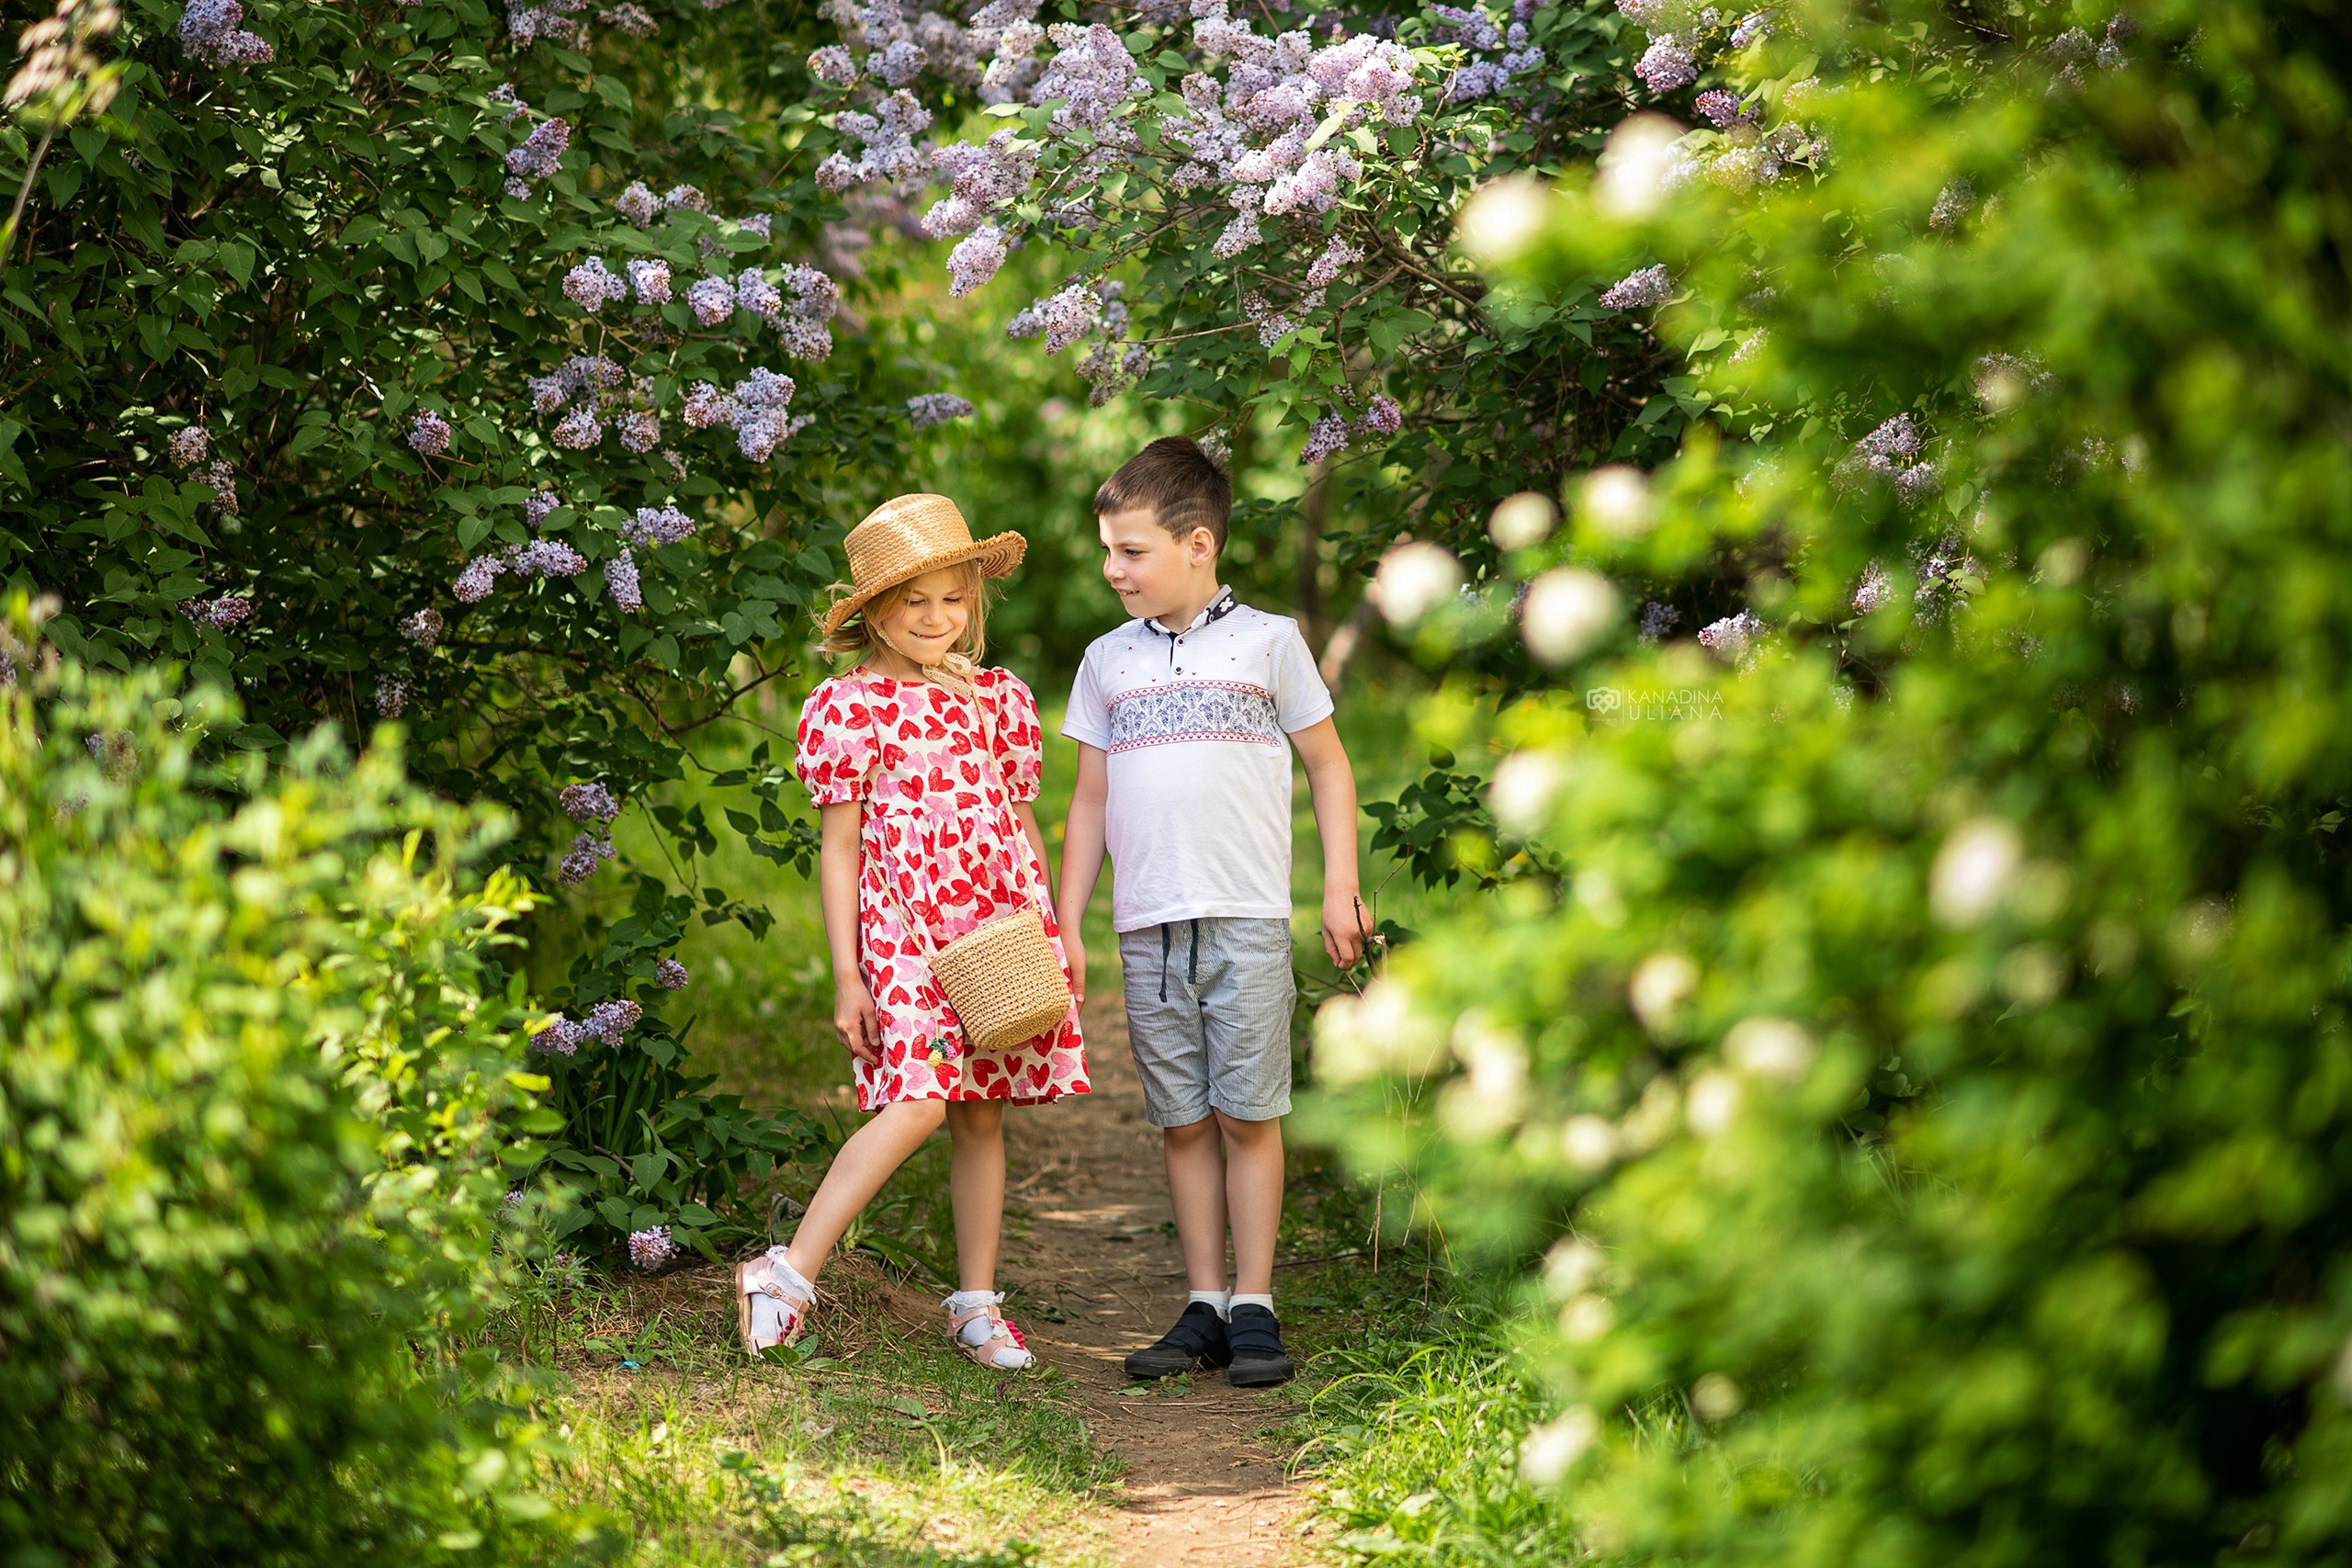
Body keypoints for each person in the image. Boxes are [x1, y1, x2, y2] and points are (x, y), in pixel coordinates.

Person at [734, 493, 1089, 1368]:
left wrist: (1056, 927)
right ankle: (785, 1272)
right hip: (902, 927)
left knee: (981, 1111)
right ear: (873, 614)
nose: (936, 618)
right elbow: (842, 847)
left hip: (995, 927)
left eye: (952, 599)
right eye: (913, 600)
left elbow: (1019, 817)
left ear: (974, 601)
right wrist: (848, 975)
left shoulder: (996, 699)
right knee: (923, 1096)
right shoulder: (851, 707)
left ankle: (976, 1302)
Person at [1056, 436, 1365, 1387]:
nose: (1113, 570)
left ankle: (1257, 1305)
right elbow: (1089, 801)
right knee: (1181, 1119)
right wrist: (1067, 922)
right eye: (1107, 551)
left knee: (1247, 1112)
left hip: (1245, 916)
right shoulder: (1106, 660)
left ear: (1198, 544)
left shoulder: (1269, 643)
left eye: (1131, 552)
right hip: (1146, 925)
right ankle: (1203, 1302)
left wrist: (1339, 883)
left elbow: (1327, 765)